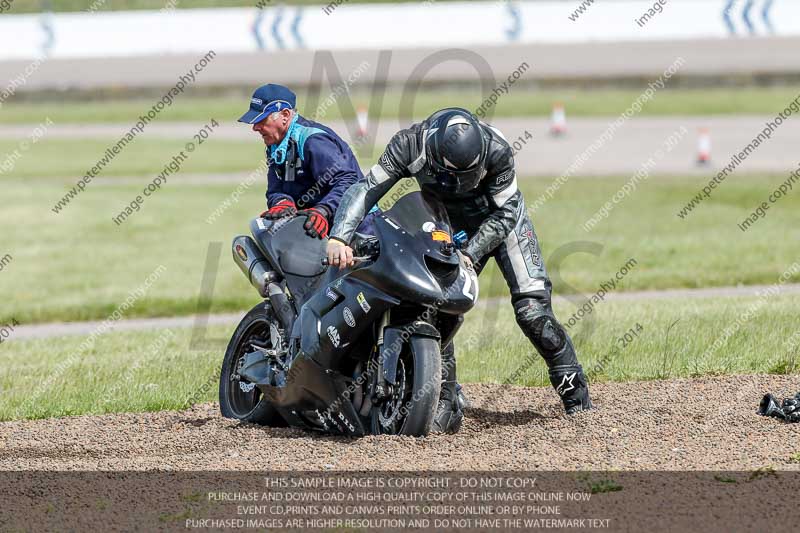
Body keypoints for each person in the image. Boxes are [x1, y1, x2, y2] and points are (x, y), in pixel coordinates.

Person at [325, 107, 593, 433]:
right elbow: (367, 189)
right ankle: (446, 400)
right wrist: (339, 236)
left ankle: (577, 398)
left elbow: (507, 212)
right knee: (433, 306)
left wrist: (472, 253)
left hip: (501, 224)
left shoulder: (497, 149)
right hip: (446, 228)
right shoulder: (409, 145)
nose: (465, 183)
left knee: (533, 313)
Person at [238, 83, 375, 237]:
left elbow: (348, 180)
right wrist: (282, 202)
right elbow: (275, 189)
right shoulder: (276, 145)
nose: (255, 127)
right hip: (320, 226)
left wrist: (323, 210)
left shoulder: (313, 141)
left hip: (360, 225)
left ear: (285, 115)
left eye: (262, 120)